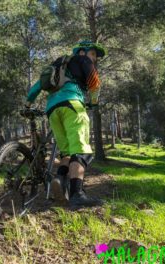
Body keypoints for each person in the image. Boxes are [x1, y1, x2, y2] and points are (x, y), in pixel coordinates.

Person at [25, 40, 106, 207]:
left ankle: (59, 181)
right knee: (80, 149)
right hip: (72, 104)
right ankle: (78, 194)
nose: (94, 58)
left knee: (66, 153)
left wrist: (28, 103)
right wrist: (94, 101)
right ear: (82, 52)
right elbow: (94, 83)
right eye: (93, 53)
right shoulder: (83, 60)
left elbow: (38, 85)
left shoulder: (59, 63)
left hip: (52, 109)